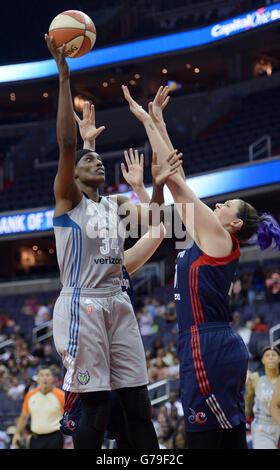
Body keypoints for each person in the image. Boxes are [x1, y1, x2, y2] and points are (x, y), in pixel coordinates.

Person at [122, 83, 280, 449]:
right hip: (201, 342)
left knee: (209, 439)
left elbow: (178, 185)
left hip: (208, 343)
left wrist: (150, 121)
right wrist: (142, 183)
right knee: (209, 437)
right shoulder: (204, 239)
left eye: (226, 206)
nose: (219, 205)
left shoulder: (221, 240)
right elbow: (164, 214)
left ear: (235, 224)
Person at [44, 34, 181, 450]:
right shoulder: (67, 202)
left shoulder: (117, 203)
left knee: (138, 404)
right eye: (90, 160)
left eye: (98, 157)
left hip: (117, 302)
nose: (97, 160)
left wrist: (156, 188)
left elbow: (160, 220)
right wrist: (64, 76)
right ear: (73, 173)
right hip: (81, 303)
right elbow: (70, 146)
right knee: (96, 409)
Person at [12, 365, 65, 449]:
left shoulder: (61, 395)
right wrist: (16, 434)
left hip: (55, 437)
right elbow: (24, 417)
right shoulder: (30, 395)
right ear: (38, 379)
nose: (45, 378)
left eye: (47, 375)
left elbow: (68, 417)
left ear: (52, 378)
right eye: (41, 375)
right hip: (35, 438)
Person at [245, 345, 280, 449]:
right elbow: (247, 402)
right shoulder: (255, 378)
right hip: (263, 426)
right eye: (267, 355)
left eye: (273, 355)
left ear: (279, 359)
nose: (270, 357)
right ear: (263, 360)